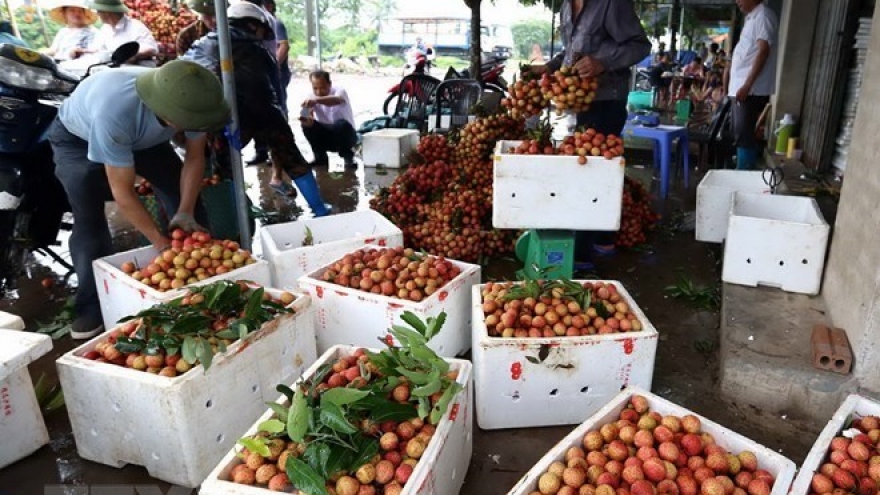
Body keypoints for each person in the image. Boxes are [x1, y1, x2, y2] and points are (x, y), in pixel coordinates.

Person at [49, 60, 230, 339]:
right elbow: (123, 192)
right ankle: (90, 305)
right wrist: (158, 241)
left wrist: (185, 212)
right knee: (88, 215)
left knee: (184, 200)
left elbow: (194, 158)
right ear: (170, 117)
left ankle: (207, 281)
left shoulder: (192, 101)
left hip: (146, 139)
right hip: (77, 138)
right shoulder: (115, 114)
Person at [530, 0, 650, 268]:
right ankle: (604, 239)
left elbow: (640, 45)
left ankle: (583, 255)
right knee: (593, 169)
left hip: (608, 100)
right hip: (583, 103)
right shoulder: (565, 7)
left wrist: (602, 63)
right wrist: (549, 67)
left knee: (592, 174)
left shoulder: (611, 4)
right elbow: (572, 53)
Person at [182, 2, 331, 215]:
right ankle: (318, 207)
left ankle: (239, 215)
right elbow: (275, 91)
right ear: (252, 25)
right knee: (291, 157)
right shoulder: (259, 51)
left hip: (221, 119)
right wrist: (280, 121)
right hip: (265, 114)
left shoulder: (204, 44)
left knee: (225, 168)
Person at [724, 0, 777, 170]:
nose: (737, 1)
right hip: (740, 87)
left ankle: (744, 173)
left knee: (744, 135)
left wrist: (747, 85)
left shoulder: (763, 16)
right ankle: (741, 169)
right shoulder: (751, 18)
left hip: (749, 90)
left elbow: (763, 51)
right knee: (739, 134)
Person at [300, 70, 358, 169]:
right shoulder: (310, 97)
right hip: (326, 137)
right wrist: (306, 119)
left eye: (322, 88)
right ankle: (320, 158)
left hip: (346, 136)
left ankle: (348, 157)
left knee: (341, 125)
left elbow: (335, 100)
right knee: (307, 126)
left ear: (329, 84)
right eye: (315, 88)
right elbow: (304, 115)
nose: (318, 92)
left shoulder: (340, 91)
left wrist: (316, 100)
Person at [80, 0, 158, 66]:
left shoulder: (135, 27)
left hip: (138, 72)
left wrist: (134, 56)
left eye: (98, 11)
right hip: (115, 71)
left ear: (107, 13)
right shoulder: (105, 29)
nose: (97, 14)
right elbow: (99, 50)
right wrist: (83, 51)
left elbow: (152, 49)